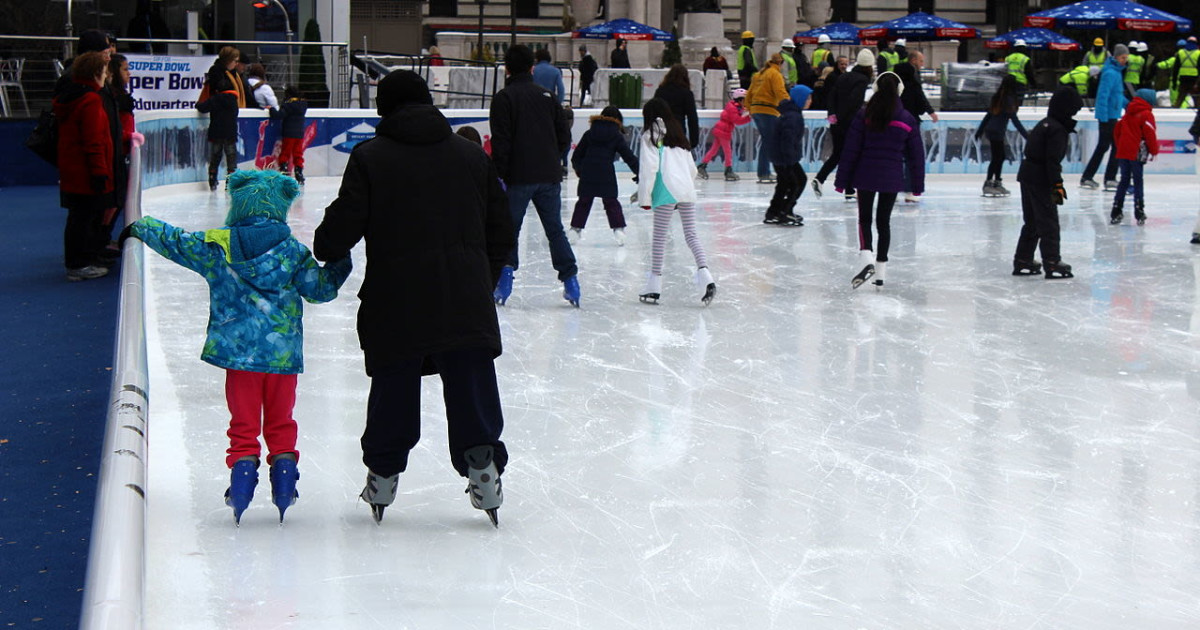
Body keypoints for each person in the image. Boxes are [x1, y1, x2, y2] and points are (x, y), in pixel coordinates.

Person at [312, 70, 514, 527]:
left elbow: (335, 235)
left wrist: (325, 245)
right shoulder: (470, 156)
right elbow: (502, 230)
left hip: (395, 300)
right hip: (464, 296)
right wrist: (482, 277)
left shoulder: (370, 158)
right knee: (471, 384)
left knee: (393, 387)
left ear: (385, 108)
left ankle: (382, 476)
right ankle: (482, 467)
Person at [122, 169, 352, 524]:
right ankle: (284, 483)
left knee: (243, 425)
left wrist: (143, 226)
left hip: (239, 356)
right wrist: (341, 260)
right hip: (281, 357)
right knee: (281, 420)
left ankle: (241, 487)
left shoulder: (219, 245)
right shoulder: (292, 252)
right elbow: (320, 289)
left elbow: (179, 242)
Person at [489, 45, 578, 307]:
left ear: (506, 68)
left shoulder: (504, 98)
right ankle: (571, 281)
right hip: (548, 175)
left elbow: (501, 142)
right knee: (555, 230)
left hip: (518, 177)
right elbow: (565, 138)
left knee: (509, 230)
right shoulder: (548, 97)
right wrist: (550, 158)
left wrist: (499, 176)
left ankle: (504, 280)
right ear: (532, 68)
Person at [835, 71, 925, 290]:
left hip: (865, 174)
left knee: (864, 219)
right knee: (883, 222)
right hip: (891, 177)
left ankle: (866, 259)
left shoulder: (864, 115)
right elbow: (916, 156)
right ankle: (880, 273)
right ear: (900, 91)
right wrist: (916, 186)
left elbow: (850, 150)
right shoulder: (907, 119)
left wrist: (842, 181)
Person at [636, 98, 715, 306]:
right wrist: (684, 188)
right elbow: (692, 169)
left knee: (660, 237)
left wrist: (645, 197)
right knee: (691, 234)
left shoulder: (650, 136)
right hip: (686, 189)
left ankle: (654, 285)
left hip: (665, 190)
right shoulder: (679, 137)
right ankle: (705, 274)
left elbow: (649, 169)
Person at [55, 52, 116, 282]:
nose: (106, 75)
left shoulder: (74, 96)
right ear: (95, 73)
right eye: (103, 71)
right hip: (86, 172)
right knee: (83, 218)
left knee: (79, 217)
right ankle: (78, 264)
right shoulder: (89, 100)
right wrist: (100, 171)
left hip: (75, 170)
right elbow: (93, 140)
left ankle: (81, 260)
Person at [1013, 86, 1084, 279]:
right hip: (1040, 178)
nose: (1075, 114)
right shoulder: (1057, 129)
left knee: (1033, 222)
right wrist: (1057, 185)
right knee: (1048, 222)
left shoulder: (1045, 123)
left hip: (1027, 175)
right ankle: (1052, 262)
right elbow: (1052, 162)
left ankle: (1023, 259)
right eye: (1074, 110)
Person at [569, 106, 639, 245]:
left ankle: (575, 229)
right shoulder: (616, 136)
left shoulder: (589, 134)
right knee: (611, 202)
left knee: (584, 201)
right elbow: (629, 157)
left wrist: (580, 171)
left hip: (588, 172)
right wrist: (640, 173)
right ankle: (618, 229)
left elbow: (576, 156)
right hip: (606, 172)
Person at [814, 48, 873, 202]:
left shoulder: (845, 76)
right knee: (853, 154)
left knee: (839, 154)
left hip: (836, 122)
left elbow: (832, 96)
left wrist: (833, 115)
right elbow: (853, 103)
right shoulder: (862, 80)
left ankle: (833, 183)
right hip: (849, 123)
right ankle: (847, 187)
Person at [1080, 44, 1129, 191]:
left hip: (1113, 114)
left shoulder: (1116, 72)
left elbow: (1117, 95)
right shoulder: (1110, 73)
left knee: (1114, 146)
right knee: (1104, 146)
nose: (1124, 60)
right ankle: (1092, 177)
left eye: (1126, 58)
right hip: (1107, 116)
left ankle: (1107, 178)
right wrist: (1103, 116)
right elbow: (1103, 95)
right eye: (1122, 57)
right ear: (1116, 57)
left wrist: (1130, 105)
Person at [764, 84, 812, 227]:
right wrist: (789, 160)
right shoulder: (792, 116)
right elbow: (787, 139)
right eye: (808, 98)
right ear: (800, 99)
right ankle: (785, 211)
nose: (810, 101)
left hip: (783, 156)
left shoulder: (793, 113)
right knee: (797, 182)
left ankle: (775, 212)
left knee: (785, 184)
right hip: (784, 157)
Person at [1109, 88, 1159, 226]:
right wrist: (1154, 150)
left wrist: (1120, 146)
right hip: (1137, 152)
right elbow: (1150, 133)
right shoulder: (1146, 114)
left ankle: (1116, 209)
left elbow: (1117, 130)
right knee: (1138, 180)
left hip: (1124, 152)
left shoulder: (1129, 112)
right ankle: (1139, 210)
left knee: (1124, 180)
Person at [975, 74, 1028, 197]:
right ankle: (990, 183)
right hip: (997, 131)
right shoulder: (1009, 99)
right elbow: (1015, 120)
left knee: (999, 157)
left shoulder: (998, 96)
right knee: (998, 157)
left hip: (991, 130)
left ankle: (995, 182)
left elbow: (988, 116)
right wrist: (1027, 136)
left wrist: (980, 131)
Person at [895, 50, 938, 202]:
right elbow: (920, 100)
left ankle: (892, 188)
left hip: (893, 123)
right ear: (913, 61)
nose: (922, 64)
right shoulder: (913, 83)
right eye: (920, 61)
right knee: (912, 157)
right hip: (910, 122)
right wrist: (930, 112)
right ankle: (910, 190)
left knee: (894, 156)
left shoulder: (893, 84)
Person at [197, 54, 242, 191]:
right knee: (231, 158)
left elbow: (202, 107)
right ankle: (231, 181)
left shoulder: (215, 99)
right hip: (230, 133)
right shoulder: (234, 100)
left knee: (215, 156)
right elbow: (236, 114)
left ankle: (212, 177)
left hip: (216, 132)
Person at [746, 53, 787, 184]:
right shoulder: (775, 74)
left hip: (757, 109)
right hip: (768, 110)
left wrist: (749, 108)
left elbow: (750, 93)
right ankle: (764, 172)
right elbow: (780, 91)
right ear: (780, 63)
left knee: (767, 141)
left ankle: (764, 171)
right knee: (769, 141)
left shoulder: (759, 74)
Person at [697, 87, 751, 181]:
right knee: (728, 151)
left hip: (722, 130)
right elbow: (737, 120)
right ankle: (728, 171)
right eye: (745, 100)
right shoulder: (733, 108)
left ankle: (702, 166)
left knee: (714, 149)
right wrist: (749, 118)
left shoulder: (734, 106)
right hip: (723, 131)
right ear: (741, 99)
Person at [652, 64, 700, 151]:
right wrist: (694, 141)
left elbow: (653, 111)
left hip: (661, 131)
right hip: (679, 132)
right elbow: (692, 118)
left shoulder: (660, 91)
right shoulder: (687, 94)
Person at [270, 86, 309, 184]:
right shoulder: (302, 105)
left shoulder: (288, 105)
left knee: (285, 153)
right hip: (299, 133)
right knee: (298, 154)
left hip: (288, 133)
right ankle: (299, 172)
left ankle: (284, 170)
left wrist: (271, 109)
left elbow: (279, 115)